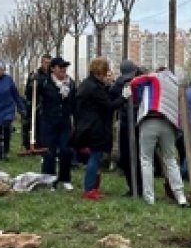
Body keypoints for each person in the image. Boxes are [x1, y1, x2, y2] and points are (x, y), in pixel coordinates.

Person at [129, 67, 189, 206]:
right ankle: (180, 196)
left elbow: (135, 83)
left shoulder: (154, 77)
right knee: (171, 160)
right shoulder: (176, 86)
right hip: (169, 124)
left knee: (146, 159)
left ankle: (149, 198)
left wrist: (137, 98)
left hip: (150, 118)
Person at [74, 57, 123, 200]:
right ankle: (89, 189)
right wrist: (124, 98)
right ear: (100, 71)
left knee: (95, 157)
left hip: (86, 125)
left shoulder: (86, 84)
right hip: (95, 126)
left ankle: (93, 187)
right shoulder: (94, 88)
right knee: (95, 157)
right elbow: (108, 105)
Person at [38, 57, 77, 190]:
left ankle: (65, 178)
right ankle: (49, 179)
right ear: (53, 69)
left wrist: (74, 119)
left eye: (65, 67)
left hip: (65, 122)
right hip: (48, 122)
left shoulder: (70, 83)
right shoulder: (44, 82)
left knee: (66, 150)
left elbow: (74, 103)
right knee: (49, 152)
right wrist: (32, 84)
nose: (63, 70)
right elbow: (31, 95)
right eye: (60, 67)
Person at [0, 61, 27, 160]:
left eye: (0, 70)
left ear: (3, 70)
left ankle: (6, 151)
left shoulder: (8, 79)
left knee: (6, 127)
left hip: (8, 108)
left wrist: (21, 107)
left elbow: (15, 95)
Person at [111, 59, 140, 196]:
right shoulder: (118, 84)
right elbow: (112, 99)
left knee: (139, 158)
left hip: (138, 123)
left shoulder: (141, 81)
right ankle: (133, 187)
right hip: (125, 123)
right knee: (126, 158)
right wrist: (122, 96)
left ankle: (139, 187)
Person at [23, 54, 52, 151]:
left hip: (48, 104)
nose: (47, 65)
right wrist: (33, 83)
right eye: (45, 63)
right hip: (36, 104)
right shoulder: (35, 74)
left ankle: (45, 145)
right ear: (42, 62)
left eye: (49, 63)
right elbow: (27, 92)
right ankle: (31, 144)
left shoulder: (52, 75)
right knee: (34, 125)